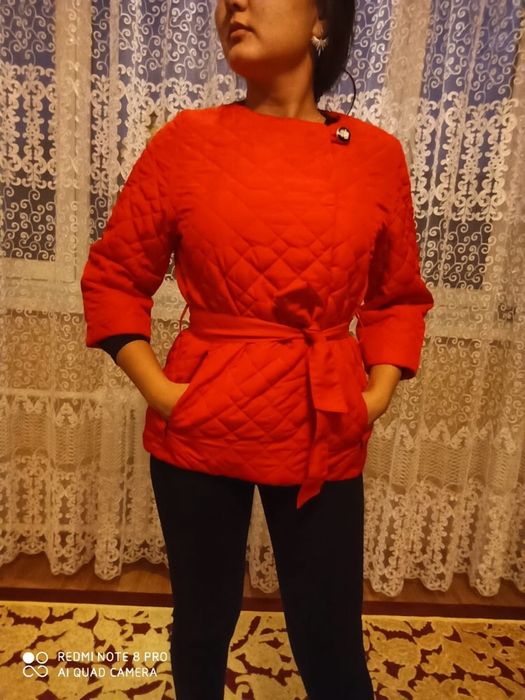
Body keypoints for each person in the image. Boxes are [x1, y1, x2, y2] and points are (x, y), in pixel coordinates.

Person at [80, 0, 435, 698]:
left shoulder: (374, 156)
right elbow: (115, 276)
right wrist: (160, 391)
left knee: (331, 642)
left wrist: (376, 395)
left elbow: (396, 297)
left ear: (321, 22)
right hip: (201, 420)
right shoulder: (186, 141)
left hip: (324, 419)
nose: (232, 5)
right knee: (201, 624)